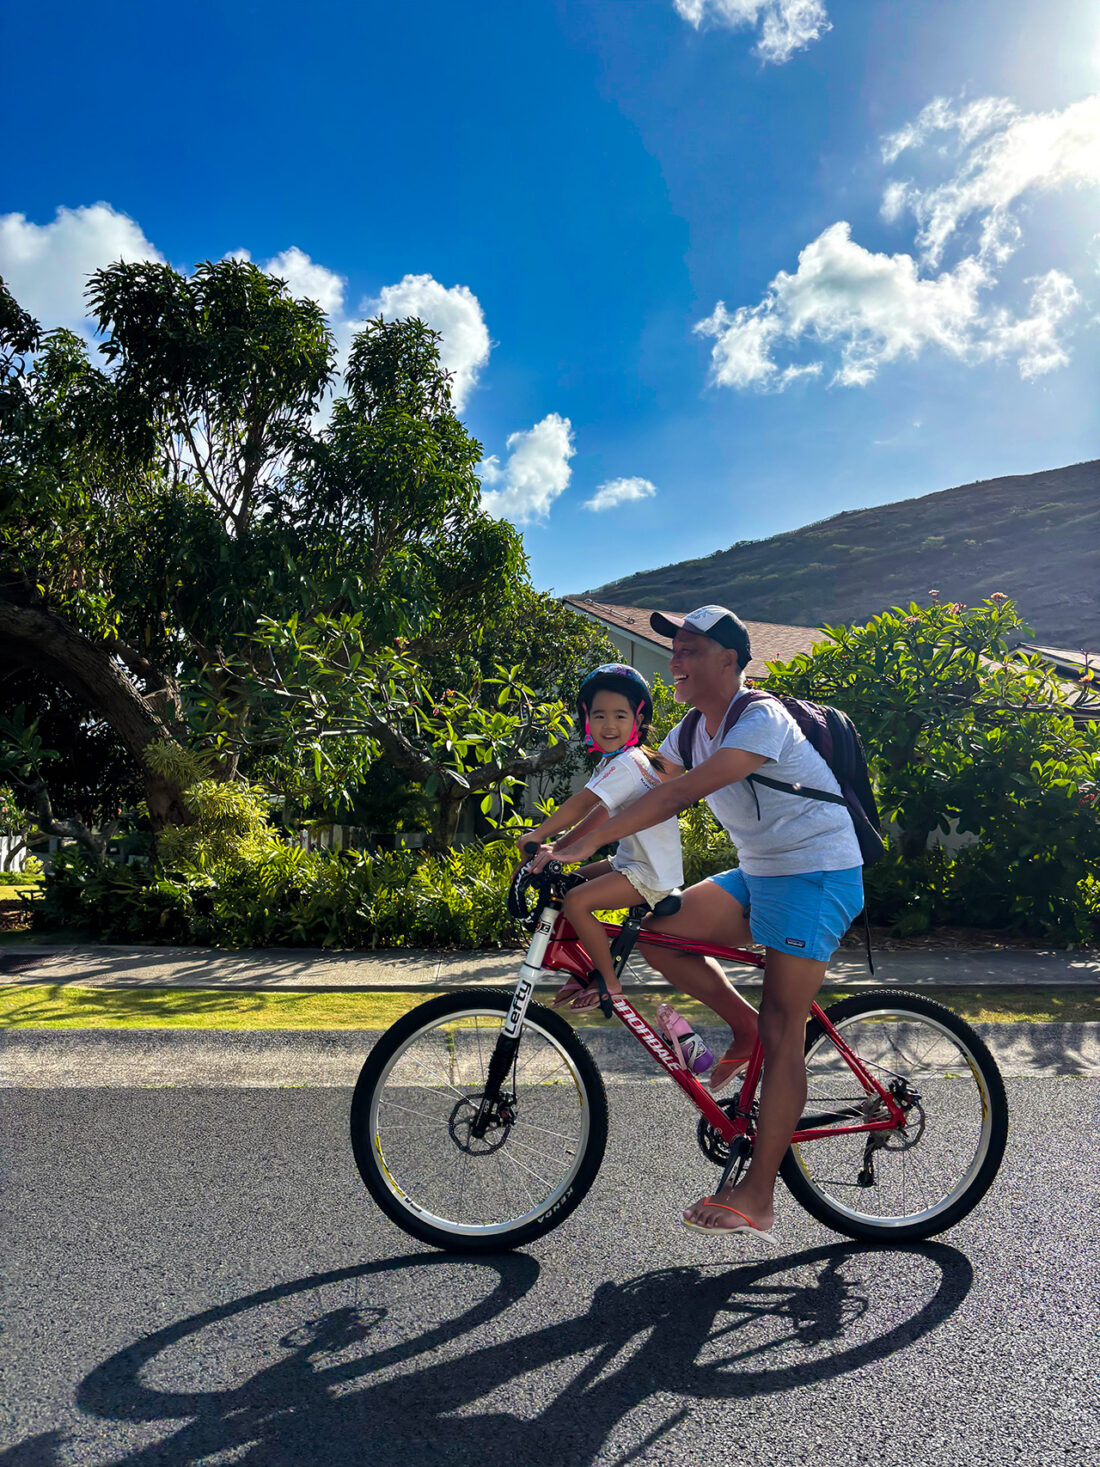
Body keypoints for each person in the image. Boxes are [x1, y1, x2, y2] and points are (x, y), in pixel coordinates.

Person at [550, 607, 865, 1242]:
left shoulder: (761, 718)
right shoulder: (691, 730)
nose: (677, 663)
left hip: (817, 874)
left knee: (786, 1028)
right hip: (759, 875)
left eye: (690, 650)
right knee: (662, 933)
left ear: (730, 660)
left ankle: (758, 1195)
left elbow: (676, 796)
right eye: (675, 651)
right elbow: (637, 785)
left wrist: (585, 847)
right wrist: (559, 847)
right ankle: (740, 1025)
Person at [518, 664, 684, 1013]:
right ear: (586, 718)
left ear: (638, 721)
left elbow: (581, 804)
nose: (609, 725)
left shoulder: (629, 762)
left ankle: (608, 982)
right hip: (631, 863)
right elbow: (599, 815)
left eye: (620, 715)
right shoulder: (615, 763)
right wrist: (558, 848)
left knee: (577, 902)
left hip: (649, 874)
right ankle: (583, 970)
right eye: (600, 715)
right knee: (568, 884)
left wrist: (539, 833)